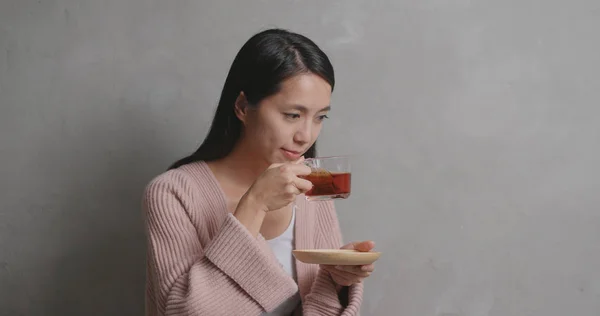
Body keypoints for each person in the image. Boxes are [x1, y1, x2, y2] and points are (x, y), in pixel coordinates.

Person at [142, 28, 376, 316]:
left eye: (320, 117)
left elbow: (320, 304)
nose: (306, 135)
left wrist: (336, 278)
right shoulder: (173, 193)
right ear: (242, 106)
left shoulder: (314, 184)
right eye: (292, 115)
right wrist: (255, 204)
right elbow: (184, 312)